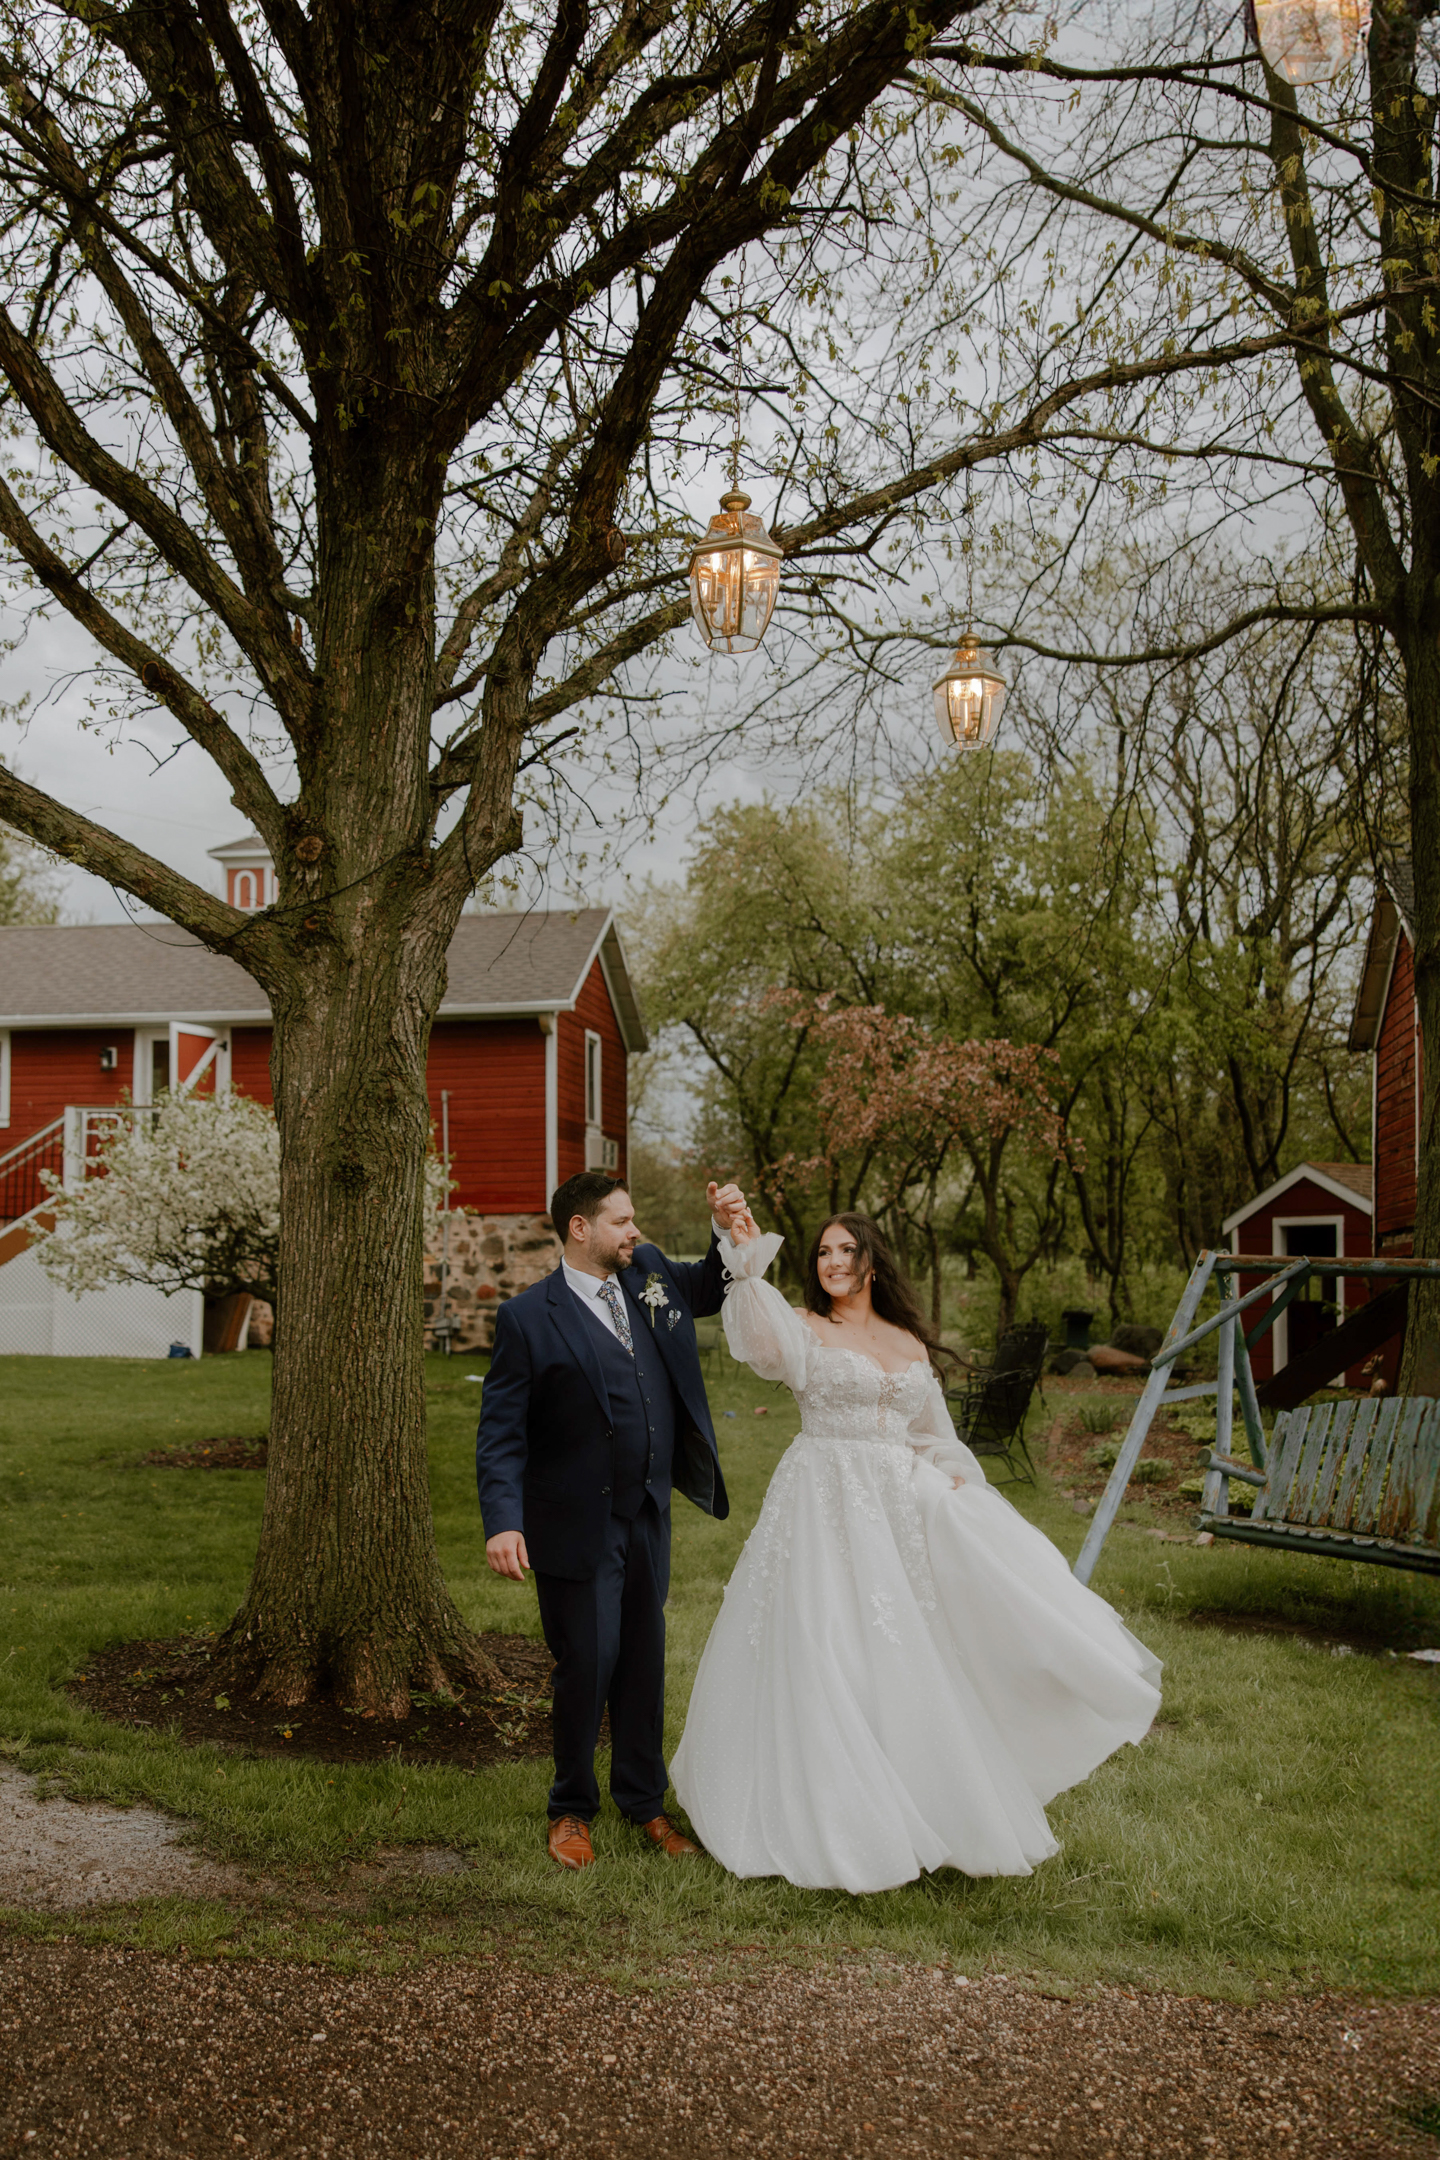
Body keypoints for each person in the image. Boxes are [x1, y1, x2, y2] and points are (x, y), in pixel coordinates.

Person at [671, 1210, 1162, 1895]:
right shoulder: (804, 1328)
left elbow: (931, 1431)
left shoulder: (907, 1342)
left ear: (872, 1262)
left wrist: (949, 1475)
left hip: (894, 1509)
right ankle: (831, 1809)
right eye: (822, 1252)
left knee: (901, 1645)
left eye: (846, 1250)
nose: (832, 1261)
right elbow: (758, 1339)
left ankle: (920, 1794)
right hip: (820, 1498)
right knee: (823, 1638)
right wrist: (743, 1248)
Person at [476, 1169, 749, 1870]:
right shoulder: (527, 1319)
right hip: (574, 1521)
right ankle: (570, 1808)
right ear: (580, 1228)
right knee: (587, 1664)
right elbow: (501, 1432)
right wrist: (504, 1521)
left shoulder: (648, 1273)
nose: (636, 1232)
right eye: (622, 1221)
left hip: (647, 1514)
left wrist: (725, 1230)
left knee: (643, 1663)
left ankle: (644, 1803)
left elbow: (710, 1288)